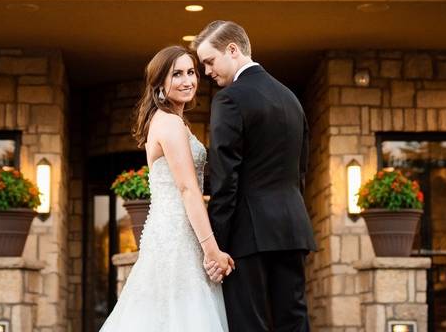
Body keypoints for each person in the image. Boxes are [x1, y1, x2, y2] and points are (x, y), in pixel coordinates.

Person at [193, 21, 317, 332]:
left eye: (209, 61)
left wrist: (216, 246)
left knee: (250, 325)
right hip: (292, 229)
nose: (207, 72)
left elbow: (225, 178)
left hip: (249, 234)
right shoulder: (291, 98)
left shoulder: (230, 99)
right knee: (294, 321)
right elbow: (300, 170)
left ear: (232, 50)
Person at [100, 45, 233, 332]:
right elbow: (187, 189)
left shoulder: (169, 121)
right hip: (177, 237)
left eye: (191, 72)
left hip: (174, 231)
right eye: (177, 74)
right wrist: (212, 251)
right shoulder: (170, 123)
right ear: (160, 82)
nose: (188, 81)